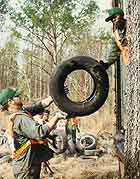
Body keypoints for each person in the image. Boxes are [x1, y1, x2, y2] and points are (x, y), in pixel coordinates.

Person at [0, 87, 65, 179]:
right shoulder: (19, 119)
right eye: (17, 96)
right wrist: (56, 118)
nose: (20, 96)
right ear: (10, 101)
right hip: (26, 168)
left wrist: (55, 96)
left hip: (29, 164)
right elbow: (39, 132)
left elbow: (39, 106)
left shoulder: (20, 113)